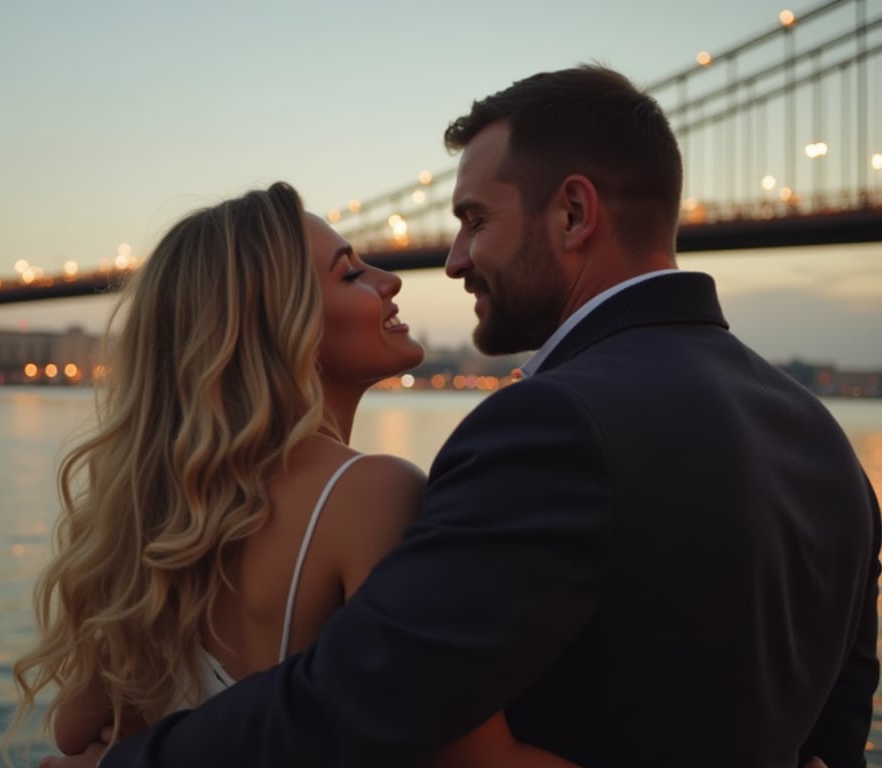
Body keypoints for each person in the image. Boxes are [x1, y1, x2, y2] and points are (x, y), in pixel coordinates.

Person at [87, 66, 881, 768]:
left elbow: (368, 703)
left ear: (573, 214)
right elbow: (836, 734)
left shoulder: (552, 424)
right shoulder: (825, 443)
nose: (451, 260)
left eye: (473, 219)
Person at [7, 182, 577, 768]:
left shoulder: (163, 513)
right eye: (351, 275)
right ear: (281, 327)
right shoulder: (372, 494)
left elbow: (79, 731)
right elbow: (469, 760)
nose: (392, 280)